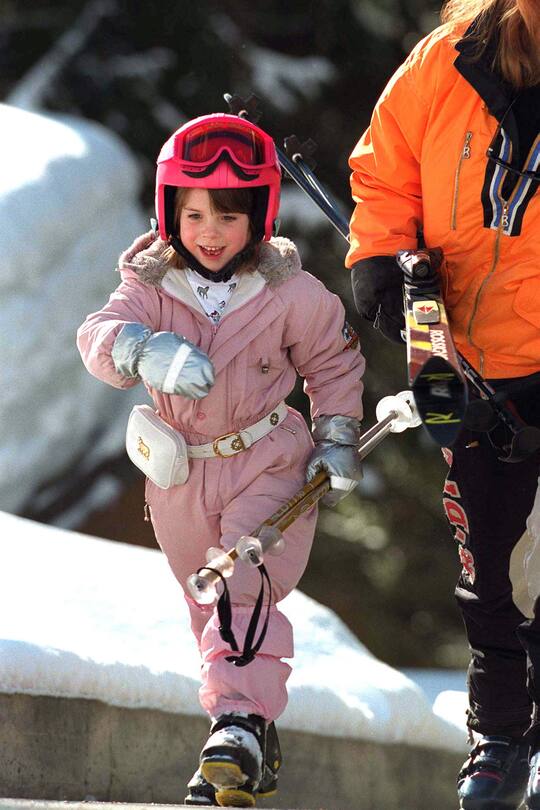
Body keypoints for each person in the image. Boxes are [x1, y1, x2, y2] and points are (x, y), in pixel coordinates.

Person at [77, 113, 364, 807]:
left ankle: (234, 723)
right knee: (211, 608)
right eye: (195, 211)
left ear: (258, 218)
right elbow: (97, 336)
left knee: (241, 582)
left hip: (269, 460)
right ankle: (246, 738)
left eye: (228, 216)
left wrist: (337, 435)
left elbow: (332, 359)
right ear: (169, 210)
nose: (210, 230)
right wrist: (143, 350)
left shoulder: (289, 291)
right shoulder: (148, 284)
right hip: (179, 479)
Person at [345, 0, 540, 808]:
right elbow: (386, 168)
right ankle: (498, 740)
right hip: (463, 362)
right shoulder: (447, 56)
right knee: (488, 570)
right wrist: (384, 258)